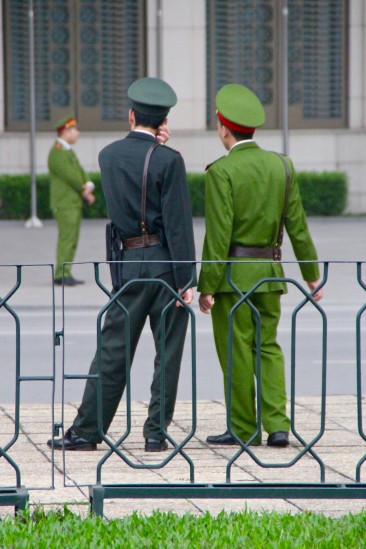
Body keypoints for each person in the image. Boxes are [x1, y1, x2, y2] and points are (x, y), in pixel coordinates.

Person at [48, 77, 196, 453]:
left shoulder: (107, 155)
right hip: (165, 265)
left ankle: (86, 430)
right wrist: (187, 280)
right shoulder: (170, 160)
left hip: (128, 264)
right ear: (163, 121)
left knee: (113, 349)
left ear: (131, 115)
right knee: (168, 354)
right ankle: (154, 433)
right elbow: (178, 225)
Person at [198, 84, 323, 448]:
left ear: (223, 128)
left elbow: (218, 236)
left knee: (237, 352)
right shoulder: (282, 165)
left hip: (233, 279)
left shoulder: (221, 172)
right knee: (268, 347)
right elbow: (297, 225)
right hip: (270, 276)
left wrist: (207, 284)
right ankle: (278, 425)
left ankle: (243, 427)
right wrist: (311, 274)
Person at [48, 114, 96, 286]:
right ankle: (61, 273)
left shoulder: (67, 151)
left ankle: (65, 270)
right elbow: (71, 176)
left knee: (72, 239)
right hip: (65, 203)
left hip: (72, 203)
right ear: (65, 131)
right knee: (67, 239)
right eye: (74, 129)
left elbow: (80, 172)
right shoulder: (58, 152)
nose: (77, 133)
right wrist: (85, 190)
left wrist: (89, 183)